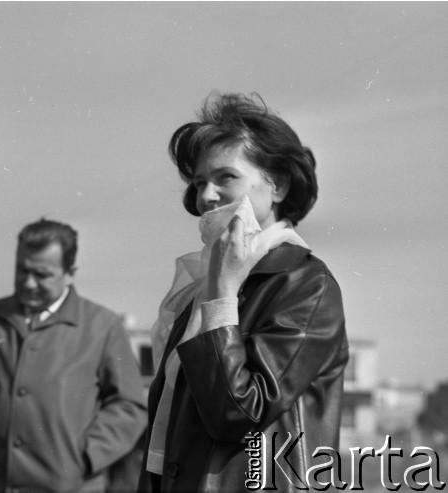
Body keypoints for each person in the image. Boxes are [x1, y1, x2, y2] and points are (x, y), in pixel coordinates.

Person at [138, 93, 349, 492]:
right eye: (200, 183)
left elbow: (239, 413)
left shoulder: (304, 284)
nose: (207, 197)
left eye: (226, 178)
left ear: (279, 184)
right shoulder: (200, 289)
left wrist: (221, 294)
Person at [0, 219, 147, 492]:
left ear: (70, 273)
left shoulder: (103, 326)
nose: (28, 282)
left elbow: (130, 407)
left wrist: (85, 458)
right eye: (22, 269)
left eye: (42, 274)